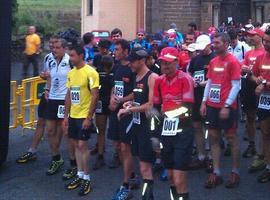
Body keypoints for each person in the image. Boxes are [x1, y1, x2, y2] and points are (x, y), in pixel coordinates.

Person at [115, 47, 158, 200]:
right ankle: (135, 189)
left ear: (142, 61)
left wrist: (129, 110)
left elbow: (151, 104)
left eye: (132, 61)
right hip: (136, 124)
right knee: (139, 161)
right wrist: (127, 102)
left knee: (145, 166)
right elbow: (137, 95)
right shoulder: (136, 76)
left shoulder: (152, 77)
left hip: (147, 126)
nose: (130, 64)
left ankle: (148, 197)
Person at [200, 33, 241, 189]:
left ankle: (235, 172)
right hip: (212, 106)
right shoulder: (213, 61)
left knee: (231, 138)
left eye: (217, 43)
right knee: (214, 138)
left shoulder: (232, 61)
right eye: (213, 42)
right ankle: (216, 173)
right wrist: (204, 102)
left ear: (226, 43)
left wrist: (227, 105)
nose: (214, 45)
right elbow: (209, 83)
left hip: (227, 108)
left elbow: (236, 86)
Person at [153, 47, 194, 200]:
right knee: (170, 177)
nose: (165, 66)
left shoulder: (185, 79)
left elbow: (188, 109)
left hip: (183, 132)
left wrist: (168, 114)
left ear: (177, 62)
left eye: (168, 63)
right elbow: (155, 108)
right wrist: (154, 135)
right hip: (166, 133)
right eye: (162, 63)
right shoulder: (159, 80)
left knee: (179, 178)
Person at [16, 35, 58, 164]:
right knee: (40, 123)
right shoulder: (47, 57)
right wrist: (43, 76)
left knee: (56, 129)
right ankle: (32, 151)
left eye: (55, 43)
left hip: (60, 97)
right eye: (50, 43)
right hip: (47, 94)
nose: (52, 46)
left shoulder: (67, 60)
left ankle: (58, 158)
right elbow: (45, 75)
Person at [64, 45, 99, 196]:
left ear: (80, 55)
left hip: (84, 116)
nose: (70, 59)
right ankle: (79, 175)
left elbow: (95, 95)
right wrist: (66, 116)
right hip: (73, 115)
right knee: (76, 146)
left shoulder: (91, 72)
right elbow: (69, 94)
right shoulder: (71, 73)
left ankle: (87, 179)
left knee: (82, 146)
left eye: (72, 56)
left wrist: (89, 117)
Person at [44, 39, 72, 176]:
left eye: (57, 47)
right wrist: (47, 89)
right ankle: (56, 158)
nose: (54, 50)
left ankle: (73, 163)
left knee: (65, 132)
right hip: (52, 98)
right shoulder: (49, 59)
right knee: (49, 130)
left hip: (64, 99)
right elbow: (48, 76)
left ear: (64, 48)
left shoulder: (70, 61)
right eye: (53, 47)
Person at [188, 35, 215, 170]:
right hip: (196, 97)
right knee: (197, 126)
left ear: (209, 45)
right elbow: (189, 74)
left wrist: (201, 83)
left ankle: (211, 156)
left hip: (210, 98)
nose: (201, 51)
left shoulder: (214, 58)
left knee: (210, 128)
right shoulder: (195, 60)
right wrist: (192, 81)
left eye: (203, 47)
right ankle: (201, 156)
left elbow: (215, 79)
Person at [241, 28, 265, 173]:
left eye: (252, 35)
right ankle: (252, 145)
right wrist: (244, 69)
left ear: (259, 37)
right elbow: (244, 69)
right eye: (248, 36)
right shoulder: (249, 53)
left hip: (262, 89)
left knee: (262, 122)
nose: (249, 38)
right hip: (249, 88)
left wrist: (252, 76)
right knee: (250, 117)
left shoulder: (264, 53)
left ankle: (262, 153)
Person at [251, 27, 270, 183]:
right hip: (264, 100)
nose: (267, 44)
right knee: (265, 132)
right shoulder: (261, 58)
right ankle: (268, 165)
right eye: (265, 41)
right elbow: (253, 75)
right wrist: (256, 80)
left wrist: (264, 83)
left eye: (269, 42)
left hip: (265, 92)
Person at [91, 39, 113, 170]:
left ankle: (117, 153)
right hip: (100, 102)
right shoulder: (96, 70)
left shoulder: (115, 69)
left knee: (115, 130)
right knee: (101, 129)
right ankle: (100, 154)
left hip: (112, 102)